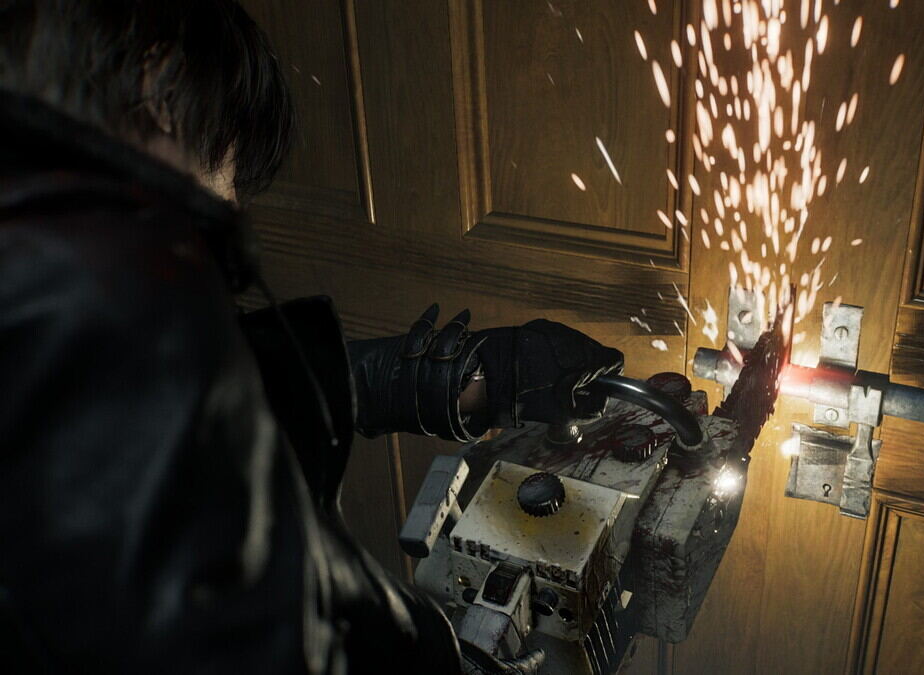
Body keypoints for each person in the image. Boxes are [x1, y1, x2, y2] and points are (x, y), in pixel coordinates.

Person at [0, 1, 623, 672]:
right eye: (226, 171)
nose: (233, 207)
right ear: (158, 95)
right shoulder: (114, 325)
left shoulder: (59, 297)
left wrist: (441, 378)